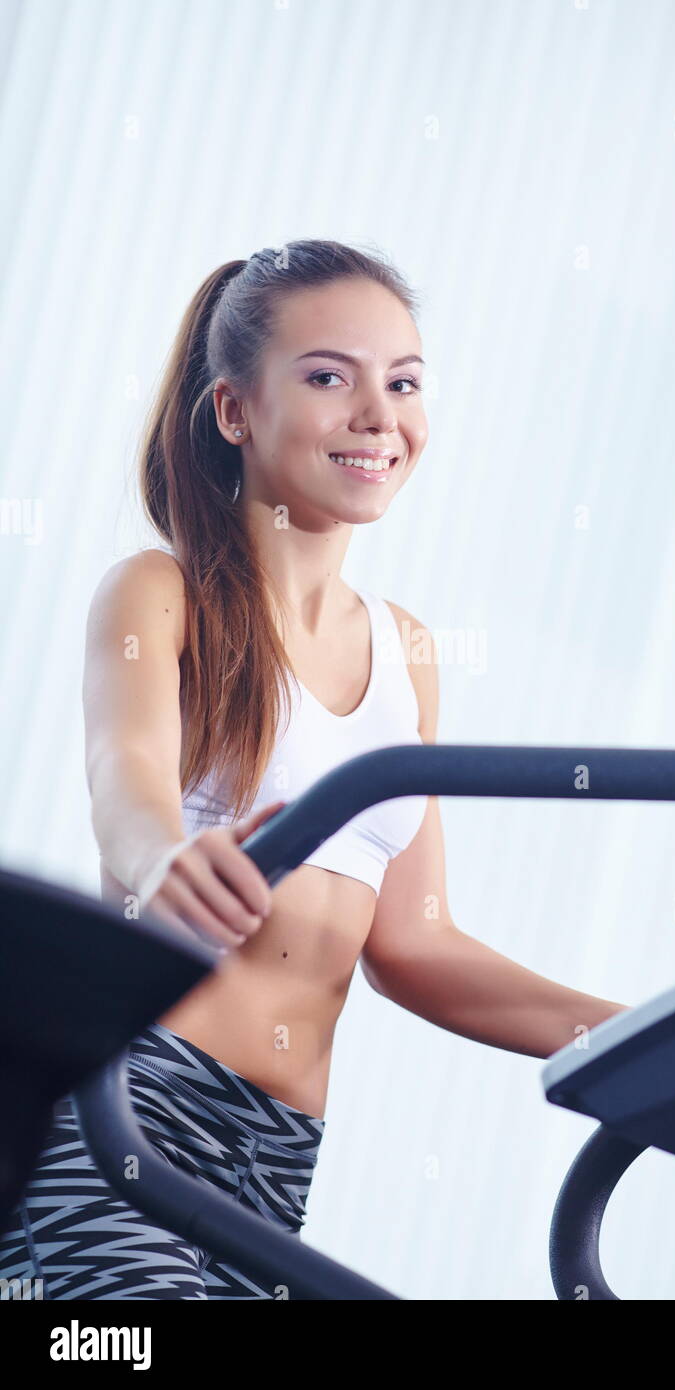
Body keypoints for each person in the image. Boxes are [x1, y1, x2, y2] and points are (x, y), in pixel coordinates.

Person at [0, 239, 627, 1300]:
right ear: (235, 411)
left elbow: (415, 946)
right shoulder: (162, 592)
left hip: (277, 1159)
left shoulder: (407, 651)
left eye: (404, 381)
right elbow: (127, 778)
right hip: (129, 1108)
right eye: (330, 376)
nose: (379, 414)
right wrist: (165, 857)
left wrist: (643, 1039)